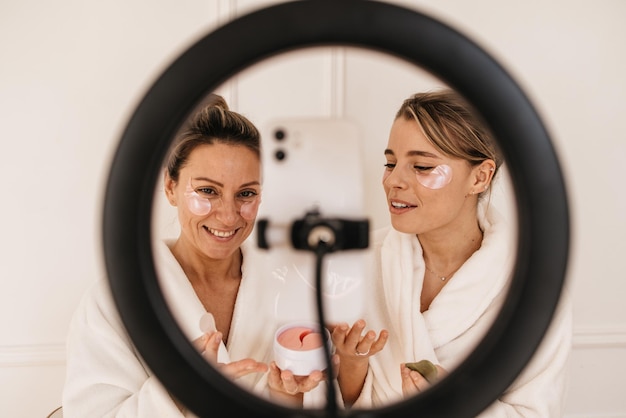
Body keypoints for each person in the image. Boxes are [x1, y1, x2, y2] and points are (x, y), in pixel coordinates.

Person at [62, 95, 325, 417]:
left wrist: (285, 394)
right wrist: (183, 391)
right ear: (171, 187)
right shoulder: (115, 301)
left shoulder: (291, 287)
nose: (229, 216)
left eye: (246, 194)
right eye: (207, 191)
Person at [331, 89, 572, 416]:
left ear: (480, 177)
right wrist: (351, 363)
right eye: (390, 162)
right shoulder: (357, 262)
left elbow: (536, 411)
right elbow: (340, 402)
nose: (393, 181)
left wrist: (457, 404)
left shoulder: (533, 287)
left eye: (422, 166)